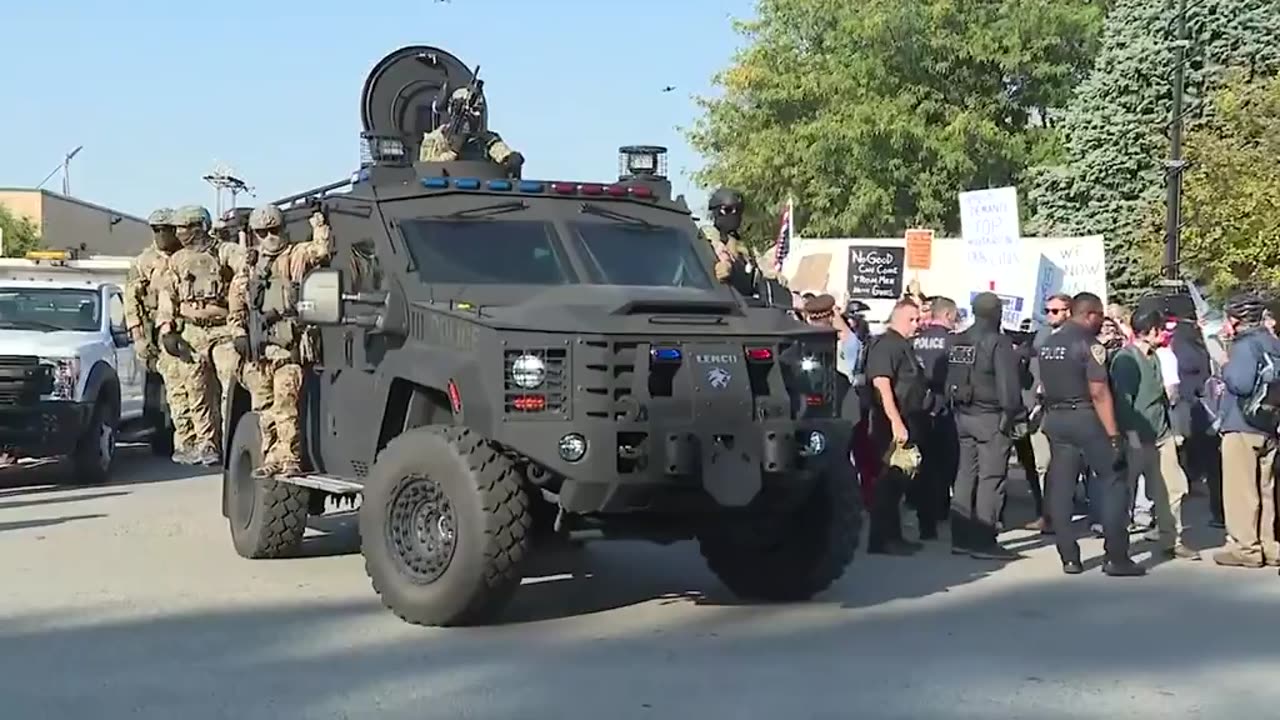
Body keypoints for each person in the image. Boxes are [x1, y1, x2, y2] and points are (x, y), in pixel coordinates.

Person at [1037, 292, 1144, 576]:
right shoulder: (1090, 345)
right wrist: (1113, 435)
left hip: (1056, 418)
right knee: (1113, 480)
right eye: (1101, 316)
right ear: (1090, 314)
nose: (1103, 322)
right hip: (1086, 417)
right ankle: (1116, 557)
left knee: (1061, 485)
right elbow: (1098, 391)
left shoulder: (1049, 343)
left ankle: (1069, 557)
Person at [230, 205, 334, 478]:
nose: (269, 237)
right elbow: (237, 307)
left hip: (288, 348)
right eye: (263, 233)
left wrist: (318, 222)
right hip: (260, 351)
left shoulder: (295, 255)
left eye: (274, 230)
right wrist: (239, 335)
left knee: (285, 406)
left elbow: (321, 251)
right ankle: (272, 458)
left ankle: (289, 459)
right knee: (264, 410)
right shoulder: (250, 267)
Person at [156, 205, 248, 464]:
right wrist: (167, 330)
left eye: (184, 227)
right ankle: (207, 444)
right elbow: (167, 297)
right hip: (191, 332)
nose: (179, 232)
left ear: (199, 227)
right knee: (197, 391)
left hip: (223, 331)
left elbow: (247, 269)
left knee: (231, 385)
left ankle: (231, 439)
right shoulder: (176, 260)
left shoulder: (226, 252)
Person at [1110, 310, 1199, 560]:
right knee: (1125, 493)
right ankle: (1118, 546)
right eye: (1160, 329)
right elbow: (1123, 403)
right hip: (1136, 439)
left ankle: (1172, 538)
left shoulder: (1155, 358)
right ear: (1149, 331)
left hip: (1162, 434)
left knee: (1173, 489)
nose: (1164, 333)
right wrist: (1132, 439)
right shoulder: (1126, 360)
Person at [946, 292, 1026, 559]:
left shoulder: (959, 340)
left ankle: (960, 537)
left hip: (963, 414)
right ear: (997, 313)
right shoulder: (998, 342)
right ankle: (983, 541)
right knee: (991, 478)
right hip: (991, 416)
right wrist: (1012, 414)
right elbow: (1008, 387)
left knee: (965, 475)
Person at [124, 207, 197, 464]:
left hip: (188, 328)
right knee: (163, 392)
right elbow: (132, 303)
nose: (162, 234)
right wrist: (139, 338)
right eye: (157, 229)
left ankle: (196, 440)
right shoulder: (143, 262)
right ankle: (167, 439)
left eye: (167, 229)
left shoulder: (189, 257)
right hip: (157, 332)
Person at [1213, 294, 1280, 569]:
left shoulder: (1244, 346)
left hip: (1242, 424)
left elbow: (1240, 383)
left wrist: (1225, 365)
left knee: (1241, 490)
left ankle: (1245, 548)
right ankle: (1270, 545)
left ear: (1234, 320)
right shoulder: (1273, 342)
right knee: (1266, 489)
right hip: (1269, 423)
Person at [864, 298, 927, 555]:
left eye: (918, 319)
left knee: (899, 480)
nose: (917, 324)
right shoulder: (887, 344)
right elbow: (882, 384)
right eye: (912, 319)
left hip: (905, 417)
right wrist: (896, 423)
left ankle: (894, 535)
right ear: (898, 318)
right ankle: (882, 539)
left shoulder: (903, 345)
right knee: (889, 481)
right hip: (888, 422)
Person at [910, 295, 959, 539]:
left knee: (925, 464)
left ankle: (924, 515)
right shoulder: (954, 342)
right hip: (945, 407)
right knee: (946, 463)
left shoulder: (916, 341)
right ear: (948, 315)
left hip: (919, 407)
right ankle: (941, 509)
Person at [419, 85, 524, 178]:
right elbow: (427, 169)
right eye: (473, 110)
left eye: (479, 110)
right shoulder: (436, 139)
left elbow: (501, 153)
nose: (477, 115)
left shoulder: (486, 139)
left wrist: (511, 158)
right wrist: (453, 152)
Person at [701, 188, 758, 297]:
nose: (734, 214)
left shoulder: (744, 247)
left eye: (738, 210)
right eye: (727, 210)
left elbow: (760, 273)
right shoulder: (704, 240)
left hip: (746, 303)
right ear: (716, 212)